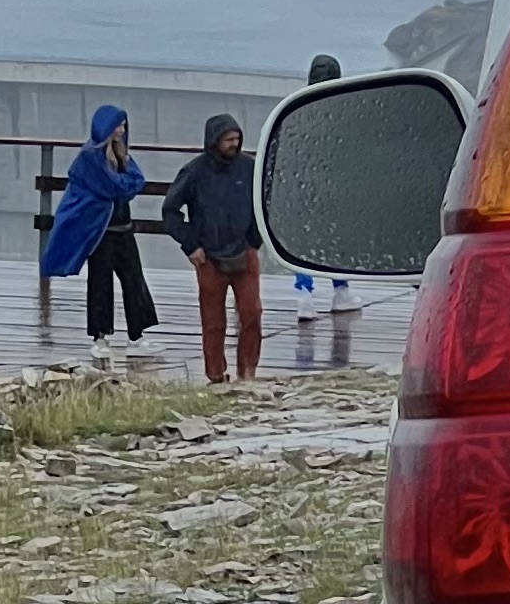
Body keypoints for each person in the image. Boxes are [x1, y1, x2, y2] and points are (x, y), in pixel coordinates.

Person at [41, 103, 159, 350]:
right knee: (100, 282)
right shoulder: (89, 157)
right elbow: (114, 186)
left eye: (124, 125)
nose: (122, 130)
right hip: (101, 232)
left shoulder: (122, 153)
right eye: (118, 125)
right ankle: (100, 336)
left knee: (134, 280)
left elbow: (135, 181)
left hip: (123, 229)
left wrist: (124, 181)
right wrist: (124, 183)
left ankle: (136, 335)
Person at [162, 109, 264, 382]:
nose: (233, 144)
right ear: (214, 140)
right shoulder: (194, 172)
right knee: (213, 322)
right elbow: (170, 211)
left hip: (245, 254)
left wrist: (255, 240)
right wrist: (190, 245)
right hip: (208, 258)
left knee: (251, 314)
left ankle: (248, 372)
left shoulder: (250, 168)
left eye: (236, 138)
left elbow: (266, 204)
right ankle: (216, 375)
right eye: (227, 139)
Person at [289, 53, 353, 329]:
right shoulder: (344, 107)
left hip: (304, 186)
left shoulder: (298, 107)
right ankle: (341, 291)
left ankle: (304, 293)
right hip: (335, 188)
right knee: (336, 239)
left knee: (304, 242)